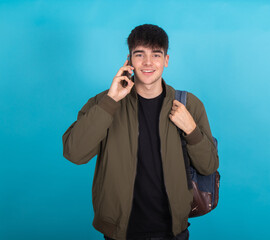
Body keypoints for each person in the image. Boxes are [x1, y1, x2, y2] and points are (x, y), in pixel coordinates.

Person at [62, 24, 219, 240]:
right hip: (120, 232)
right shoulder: (104, 102)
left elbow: (209, 166)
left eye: (156, 55)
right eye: (140, 54)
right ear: (129, 61)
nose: (147, 62)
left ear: (166, 60)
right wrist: (111, 101)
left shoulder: (189, 105)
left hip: (173, 231)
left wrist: (191, 129)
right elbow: (74, 153)